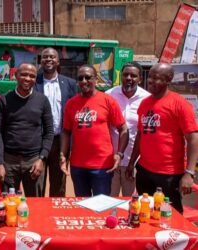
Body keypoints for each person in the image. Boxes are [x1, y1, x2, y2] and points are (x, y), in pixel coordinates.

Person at [127, 63, 198, 213]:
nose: (151, 81)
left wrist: (189, 173)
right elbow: (141, 134)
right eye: (150, 77)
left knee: (169, 215)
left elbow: (193, 139)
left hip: (169, 175)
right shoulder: (145, 103)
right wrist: (132, 162)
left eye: (157, 78)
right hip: (144, 171)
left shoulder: (180, 104)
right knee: (146, 212)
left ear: (168, 79)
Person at [60, 64, 129, 197]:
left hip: (102, 165)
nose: (84, 81)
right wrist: (63, 155)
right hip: (78, 166)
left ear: (96, 79)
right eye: (80, 78)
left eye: (88, 77)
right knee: (82, 205)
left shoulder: (108, 100)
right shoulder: (71, 103)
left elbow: (123, 128)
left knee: (101, 206)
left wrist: (119, 154)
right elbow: (66, 131)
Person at [0, 63, 54, 197]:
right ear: (16, 76)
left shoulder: (42, 101)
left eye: (32, 76)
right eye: (24, 74)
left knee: (36, 205)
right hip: (9, 162)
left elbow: (49, 132)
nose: (28, 78)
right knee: (8, 204)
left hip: (34, 161)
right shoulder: (4, 100)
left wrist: (42, 159)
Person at [35, 47, 77, 197]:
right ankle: (38, 216)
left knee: (59, 185)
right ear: (40, 62)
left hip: (61, 141)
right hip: (39, 141)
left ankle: (54, 216)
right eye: (45, 57)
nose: (48, 59)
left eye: (52, 57)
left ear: (58, 61)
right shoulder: (33, 83)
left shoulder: (70, 84)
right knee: (36, 182)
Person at [106, 62, 150, 197]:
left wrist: (133, 163)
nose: (129, 78)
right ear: (121, 77)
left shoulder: (147, 99)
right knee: (108, 202)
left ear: (140, 79)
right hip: (110, 160)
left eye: (133, 75)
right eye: (125, 75)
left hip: (134, 161)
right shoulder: (109, 95)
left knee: (131, 203)